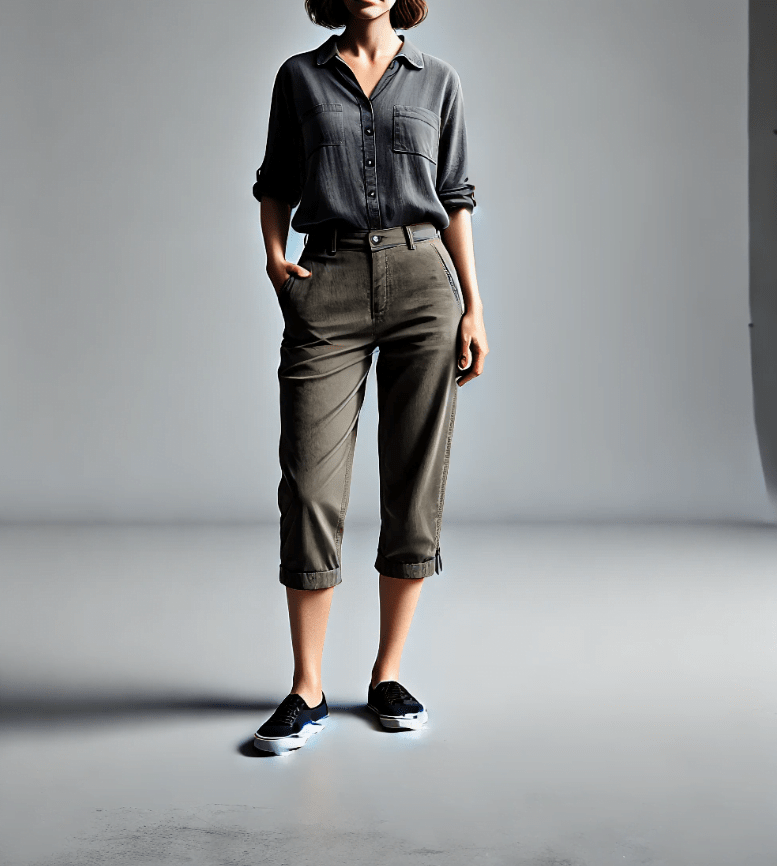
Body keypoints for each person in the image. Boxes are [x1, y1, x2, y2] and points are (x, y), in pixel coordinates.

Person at [252, 0, 489, 755]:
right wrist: (273, 258)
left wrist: (473, 307)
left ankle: (387, 674)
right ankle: (306, 686)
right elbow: (274, 183)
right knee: (311, 483)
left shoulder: (438, 81)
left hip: (424, 281)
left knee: (414, 477)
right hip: (327, 274)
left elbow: (454, 199)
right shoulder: (300, 78)